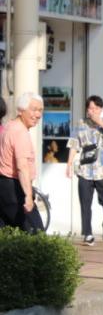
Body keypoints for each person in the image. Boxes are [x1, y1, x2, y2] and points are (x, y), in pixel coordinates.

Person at [66, 96, 103, 245]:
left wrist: (99, 122)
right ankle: (87, 233)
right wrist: (69, 164)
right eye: (90, 108)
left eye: (96, 108)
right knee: (85, 204)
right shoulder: (80, 123)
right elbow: (74, 145)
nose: (93, 111)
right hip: (85, 170)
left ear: (101, 109)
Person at [0, 92, 44, 232]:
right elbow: (22, 166)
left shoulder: (9, 126)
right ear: (21, 110)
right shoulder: (20, 132)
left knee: (8, 236)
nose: (37, 115)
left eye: (40, 110)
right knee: (36, 235)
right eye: (34, 109)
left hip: (4, 188)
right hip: (14, 188)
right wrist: (28, 196)